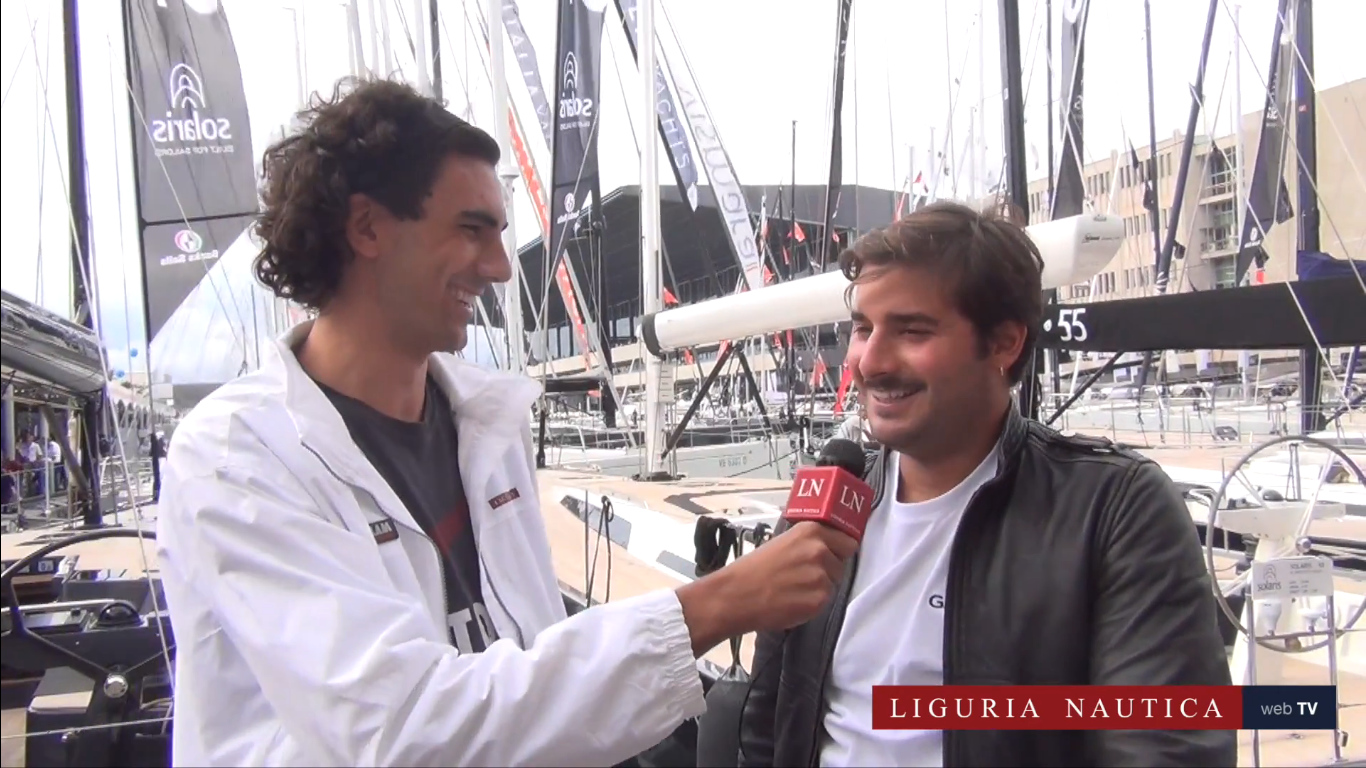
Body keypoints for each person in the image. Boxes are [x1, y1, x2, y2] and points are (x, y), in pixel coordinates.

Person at [155, 77, 858, 768]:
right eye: (471, 230)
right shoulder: (238, 457)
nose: (498, 267)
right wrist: (719, 603)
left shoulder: (489, 422)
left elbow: (527, 658)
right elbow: (399, 733)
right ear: (366, 227)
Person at [738, 202, 1235, 767]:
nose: (869, 362)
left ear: (1004, 344)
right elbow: (766, 720)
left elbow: (1164, 746)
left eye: (912, 330)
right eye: (862, 329)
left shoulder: (1116, 509)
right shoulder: (824, 504)